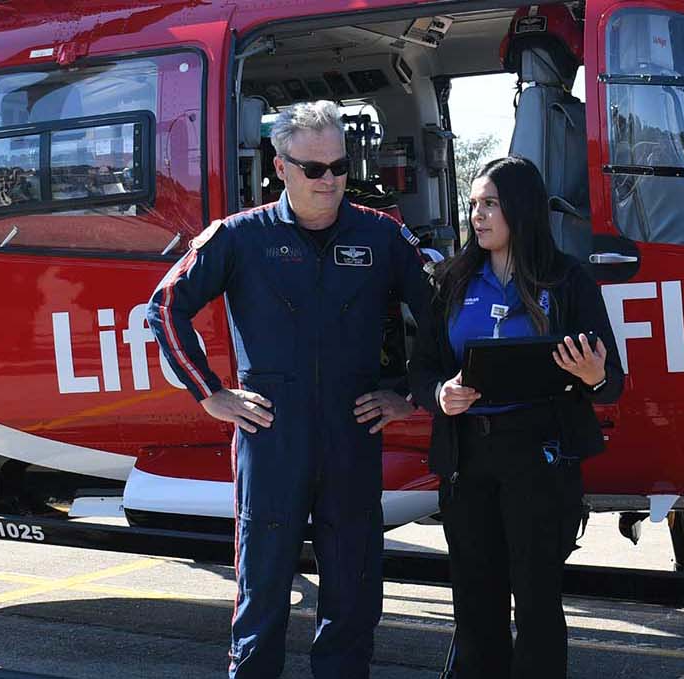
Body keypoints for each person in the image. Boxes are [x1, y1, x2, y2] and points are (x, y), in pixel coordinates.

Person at [148, 99, 432, 679]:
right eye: (313, 169)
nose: (329, 181)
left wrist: (409, 393)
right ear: (280, 167)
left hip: (352, 434)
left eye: (339, 167)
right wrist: (210, 393)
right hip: (270, 437)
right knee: (263, 591)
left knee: (353, 596)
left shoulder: (382, 236)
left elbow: (443, 316)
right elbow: (165, 307)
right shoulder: (238, 237)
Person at [409, 156, 624, 678]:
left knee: (536, 603)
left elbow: (612, 381)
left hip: (539, 458)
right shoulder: (453, 281)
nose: (478, 216)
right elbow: (423, 369)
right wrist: (441, 393)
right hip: (469, 457)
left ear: (521, 210)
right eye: (475, 204)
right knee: (476, 605)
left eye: (491, 204)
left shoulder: (568, 281)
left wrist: (594, 374)